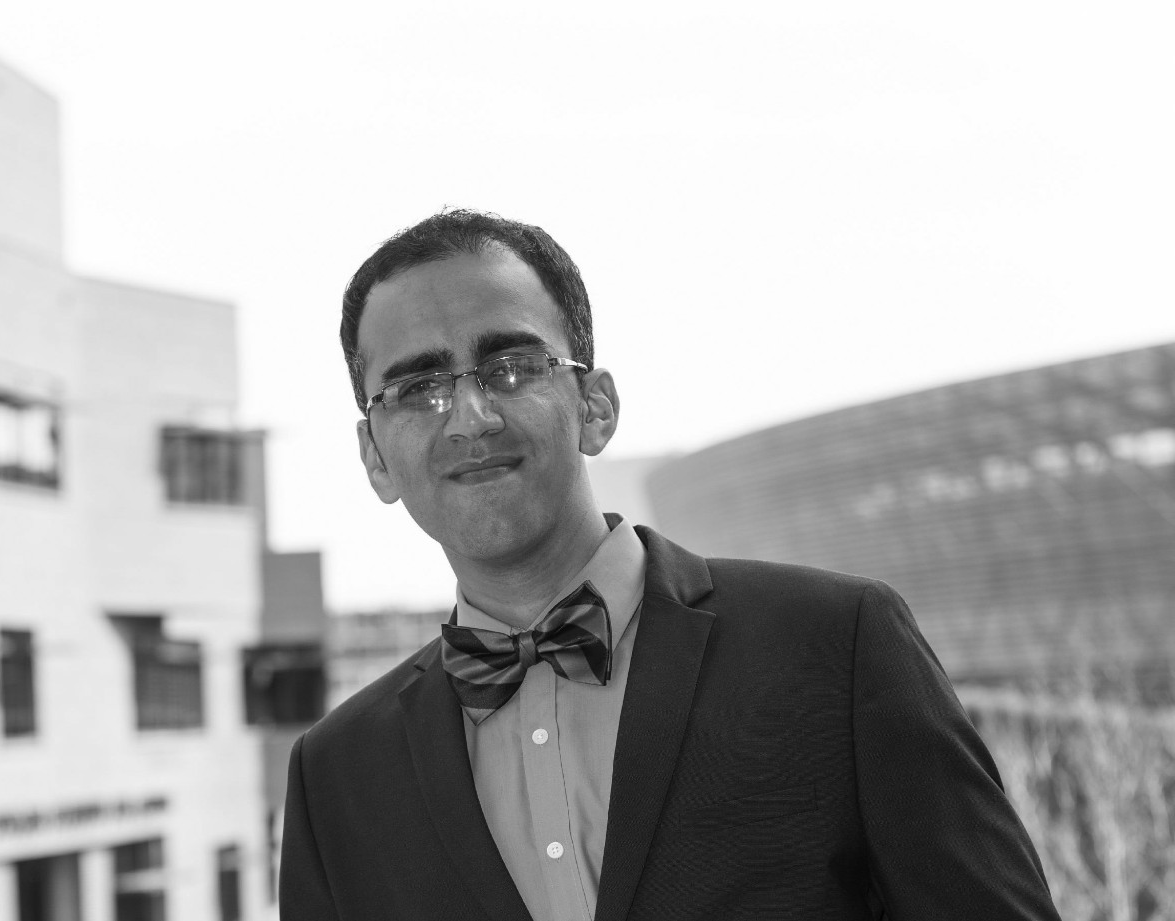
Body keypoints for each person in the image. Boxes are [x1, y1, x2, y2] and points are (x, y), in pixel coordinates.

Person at [280, 209, 1061, 920]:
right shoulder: (335, 775)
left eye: (510, 366)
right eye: (418, 388)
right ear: (374, 456)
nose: (472, 416)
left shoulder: (839, 645)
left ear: (594, 406)